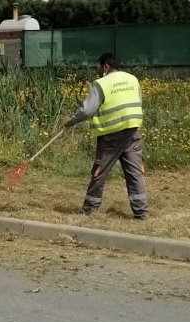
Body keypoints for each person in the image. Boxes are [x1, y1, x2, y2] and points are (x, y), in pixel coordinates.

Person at [63, 53, 148, 220]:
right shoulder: (132, 79)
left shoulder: (101, 84)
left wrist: (72, 121)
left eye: (98, 67)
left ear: (106, 66)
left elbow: (87, 110)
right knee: (135, 173)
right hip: (132, 132)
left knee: (99, 172)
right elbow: (138, 101)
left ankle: (89, 209)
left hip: (111, 136)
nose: (97, 71)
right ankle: (141, 213)